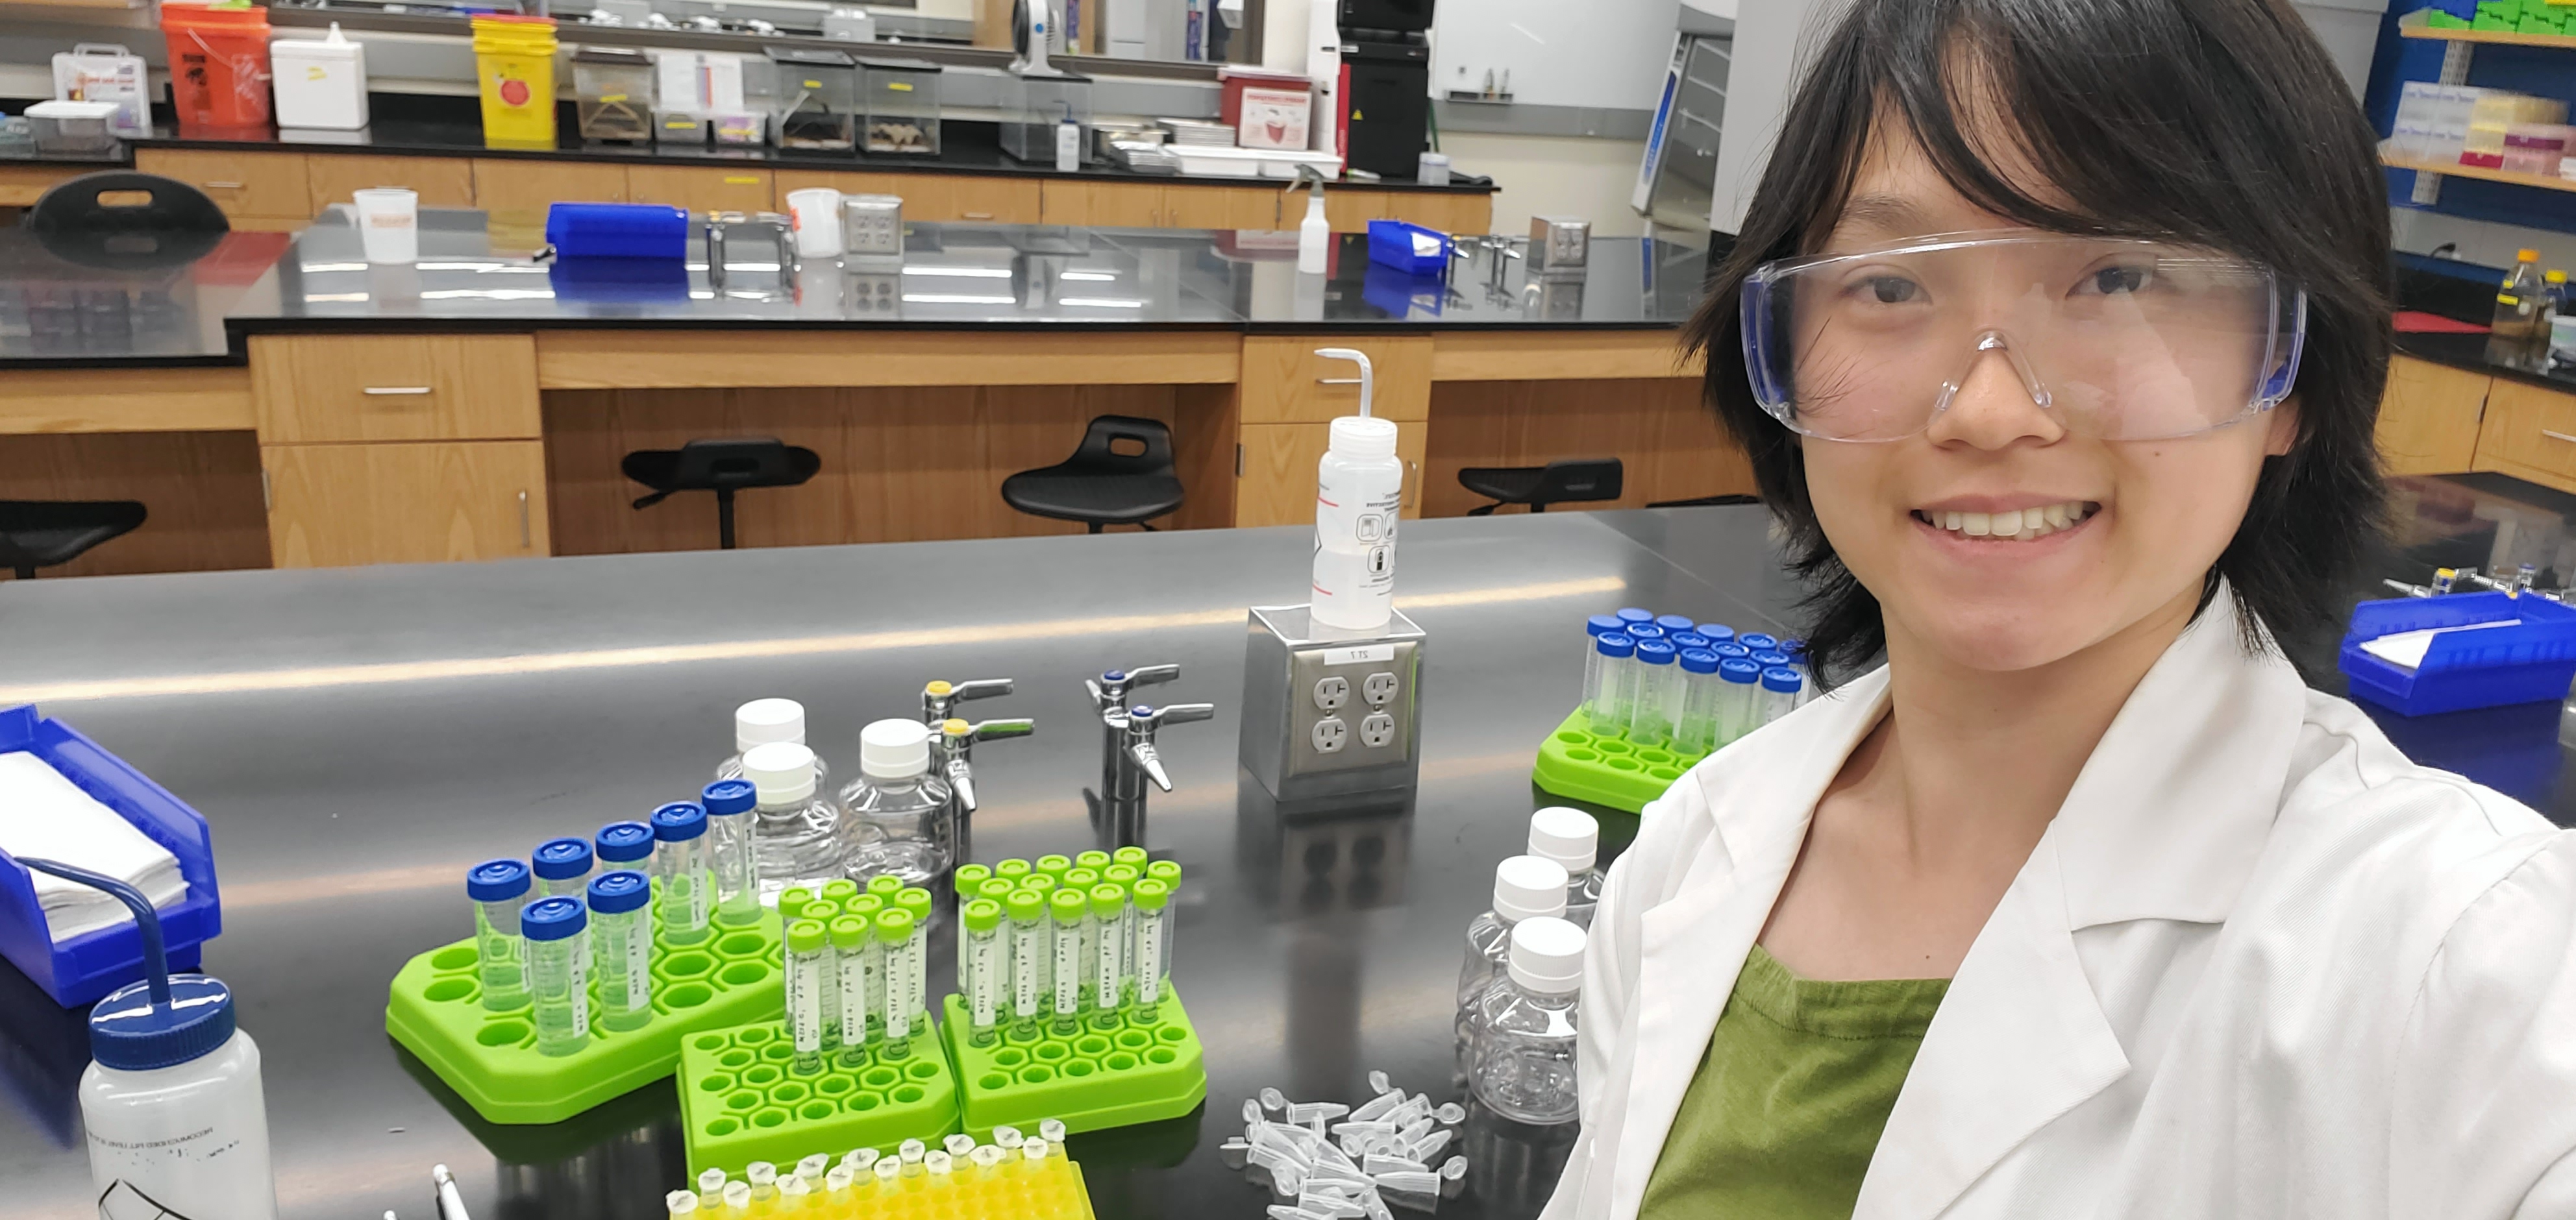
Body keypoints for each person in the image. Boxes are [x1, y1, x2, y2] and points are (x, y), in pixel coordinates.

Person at [1542, 1, 2576, 1217]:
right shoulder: (1688, 853)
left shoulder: (2472, 964)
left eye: (2119, 276)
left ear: (2292, 368)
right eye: (1887, 284)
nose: (1988, 409)